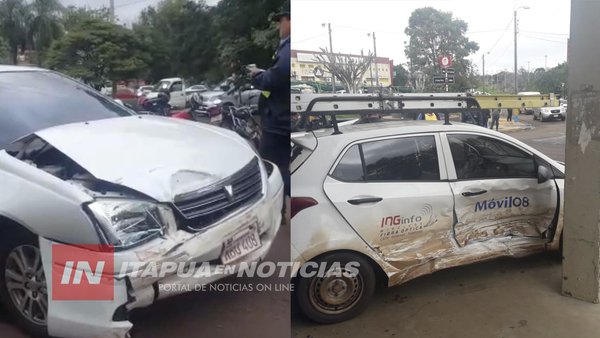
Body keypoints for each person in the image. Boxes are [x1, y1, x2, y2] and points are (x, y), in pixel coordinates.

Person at [248, 1, 290, 196]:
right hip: (284, 118)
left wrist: (257, 76)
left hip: (279, 122)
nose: (278, 26)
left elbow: (277, 77)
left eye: (280, 21)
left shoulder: (290, 48)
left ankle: (277, 208)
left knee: (272, 168)